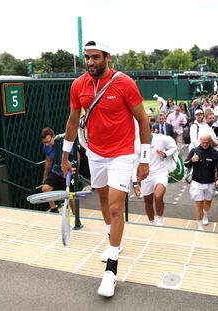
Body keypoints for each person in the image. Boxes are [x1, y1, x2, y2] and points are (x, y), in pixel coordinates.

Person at [61, 40, 150, 298]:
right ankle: (115, 239)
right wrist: (64, 154)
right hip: (95, 153)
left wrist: (143, 160)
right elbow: (73, 119)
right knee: (102, 199)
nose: (90, 62)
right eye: (87, 57)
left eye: (95, 57)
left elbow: (142, 120)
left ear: (107, 57)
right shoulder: (78, 85)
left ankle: (111, 270)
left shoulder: (124, 83)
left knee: (115, 206)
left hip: (122, 154)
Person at [132, 132, 177, 226]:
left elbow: (174, 146)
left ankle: (160, 219)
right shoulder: (137, 143)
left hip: (161, 172)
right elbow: (134, 163)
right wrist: (135, 184)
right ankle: (151, 222)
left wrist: (165, 154)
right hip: (146, 175)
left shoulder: (161, 138)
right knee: (148, 201)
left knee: (158, 196)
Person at [184, 133, 218, 230]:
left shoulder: (215, 153)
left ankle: (205, 213)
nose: (205, 145)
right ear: (200, 141)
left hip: (210, 182)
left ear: (210, 142)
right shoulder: (194, 151)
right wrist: (192, 160)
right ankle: (199, 225)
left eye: (207, 143)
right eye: (203, 143)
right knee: (198, 203)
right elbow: (186, 164)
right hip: (196, 182)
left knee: (207, 202)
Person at [40, 127, 75, 214]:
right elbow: (48, 161)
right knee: (45, 188)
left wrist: (76, 171)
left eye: (48, 141)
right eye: (45, 142)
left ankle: (75, 215)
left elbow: (76, 155)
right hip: (56, 171)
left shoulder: (64, 144)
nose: (47, 144)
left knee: (70, 196)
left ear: (53, 137)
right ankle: (54, 209)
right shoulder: (46, 147)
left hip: (68, 172)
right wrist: (45, 176)